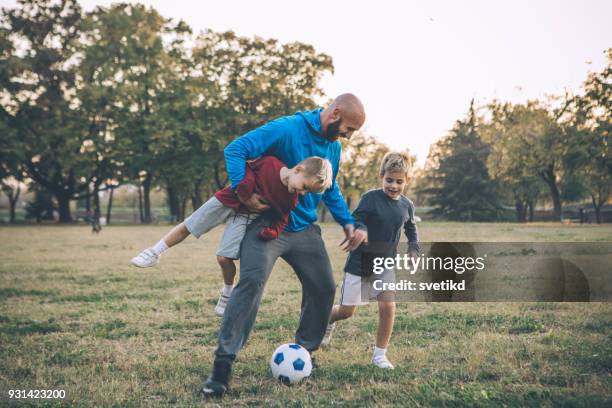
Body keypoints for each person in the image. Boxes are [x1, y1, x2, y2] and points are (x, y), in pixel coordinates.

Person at [202, 94, 367, 397]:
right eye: (348, 128)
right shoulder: (288, 128)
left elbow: (330, 189)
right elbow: (236, 149)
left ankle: (304, 351)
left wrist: (346, 220)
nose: (350, 136)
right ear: (335, 113)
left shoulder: (333, 147)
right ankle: (221, 368)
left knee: (323, 286)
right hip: (268, 224)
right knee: (251, 282)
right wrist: (243, 192)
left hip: (304, 230)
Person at [131, 155, 333, 315]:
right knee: (189, 225)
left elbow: (283, 218)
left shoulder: (290, 199)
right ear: (298, 169)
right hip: (230, 197)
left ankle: (227, 291)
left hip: (245, 215)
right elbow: (245, 166)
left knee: (224, 258)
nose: (304, 193)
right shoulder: (270, 162)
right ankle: (154, 252)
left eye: (308, 192)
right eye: (305, 187)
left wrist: (272, 231)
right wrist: (245, 188)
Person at [321, 152, 419, 370]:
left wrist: (413, 248)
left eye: (399, 181)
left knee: (388, 306)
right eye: (389, 180)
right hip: (359, 263)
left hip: (385, 265)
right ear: (381, 176)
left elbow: (411, 227)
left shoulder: (407, 205)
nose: (394, 185)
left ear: (407, 180)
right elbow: (357, 219)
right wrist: (361, 229)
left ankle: (379, 355)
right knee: (346, 312)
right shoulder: (370, 198)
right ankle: (327, 322)